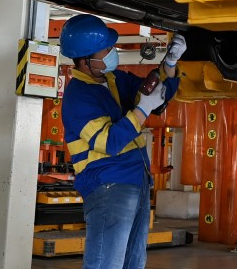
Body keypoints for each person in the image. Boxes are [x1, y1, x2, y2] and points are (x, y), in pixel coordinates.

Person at [60, 14, 185, 269]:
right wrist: (141, 110)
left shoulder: (112, 80)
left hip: (134, 180)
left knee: (133, 262)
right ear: (86, 60)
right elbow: (108, 141)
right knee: (106, 263)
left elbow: (156, 93)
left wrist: (170, 63)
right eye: (107, 49)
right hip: (108, 184)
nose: (112, 53)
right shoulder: (79, 96)